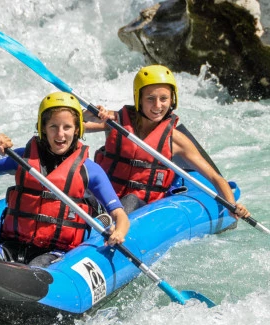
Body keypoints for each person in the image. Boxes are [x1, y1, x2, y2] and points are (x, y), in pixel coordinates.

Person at [0, 92, 130, 267]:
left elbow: (120, 215)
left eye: (67, 127)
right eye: (53, 126)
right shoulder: (23, 159)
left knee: (37, 266)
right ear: (43, 128)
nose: (60, 134)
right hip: (12, 248)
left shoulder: (90, 170)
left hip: (54, 254)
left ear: (78, 129)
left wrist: (119, 232)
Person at [85, 65, 251, 219]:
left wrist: (232, 205)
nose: (157, 105)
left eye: (163, 98)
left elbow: (214, 177)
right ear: (139, 99)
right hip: (104, 199)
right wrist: (88, 114)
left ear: (172, 100)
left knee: (130, 200)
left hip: (140, 208)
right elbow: (72, 128)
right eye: (150, 98)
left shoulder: (176, 139)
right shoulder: (115, 121)